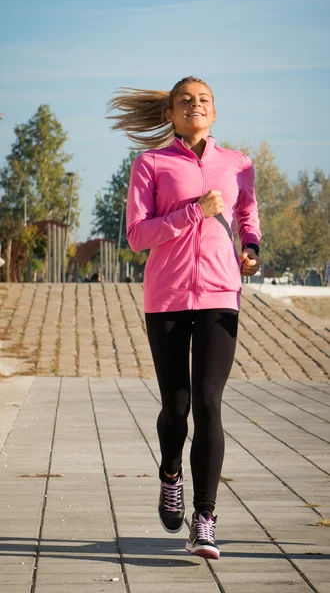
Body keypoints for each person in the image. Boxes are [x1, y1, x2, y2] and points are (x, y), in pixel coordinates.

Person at [107, 76, 261, 560]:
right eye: (186, 101)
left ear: (213, 113)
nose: (196, 106)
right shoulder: (150, 164)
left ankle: (205, 519)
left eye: (204, 100)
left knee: (209, 403)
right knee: (177, 409)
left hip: (220, 292)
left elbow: (248, 215)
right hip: (168, 296)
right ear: (171, 114)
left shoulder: (237, 164)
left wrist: (251, 248)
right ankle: (169, 473)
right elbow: (137, 235)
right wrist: (195, 210)